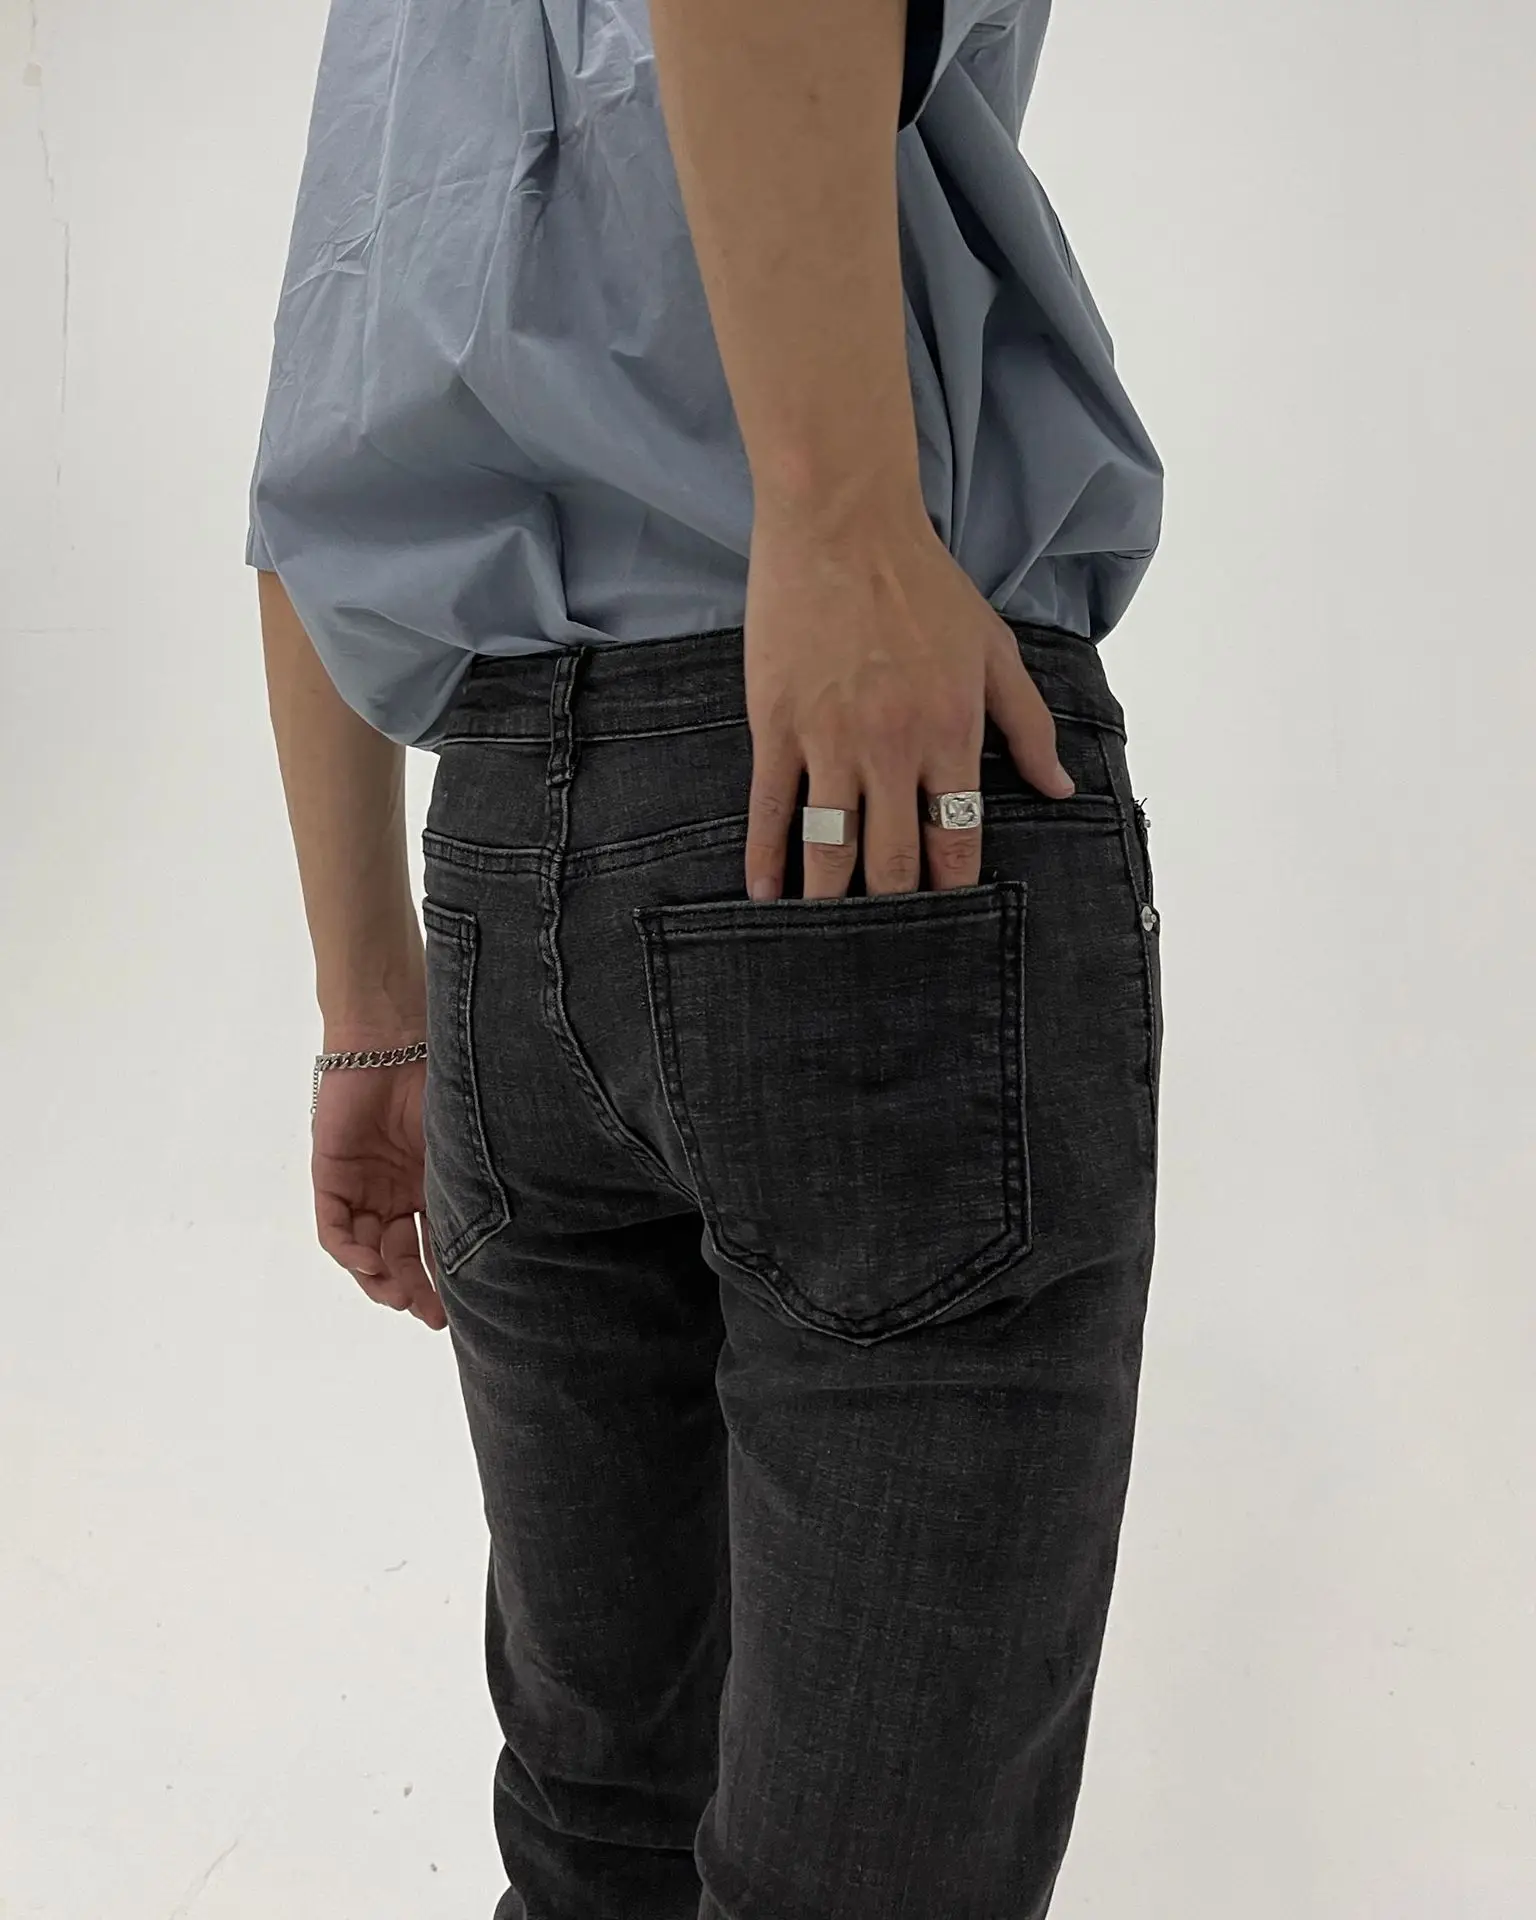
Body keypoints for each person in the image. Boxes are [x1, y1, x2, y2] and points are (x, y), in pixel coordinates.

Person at [248, 1, 1164, 1913]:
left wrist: (369, 1001)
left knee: (602, 1824)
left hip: (507, 853)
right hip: (856, 802)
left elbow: (324, 399)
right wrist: (841, 529)